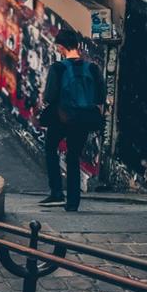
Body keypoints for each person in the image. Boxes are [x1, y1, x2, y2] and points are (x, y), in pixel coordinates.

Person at [39, 29, 106, 212]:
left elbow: (50, 97)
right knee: (73, 157)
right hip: (83, 119)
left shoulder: (58, 68)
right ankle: (73, 202)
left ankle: (56, 193)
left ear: (61, 47)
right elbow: (100, 96)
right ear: (77, 45)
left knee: (50, 148)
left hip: (62, 118)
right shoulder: (92, 68)